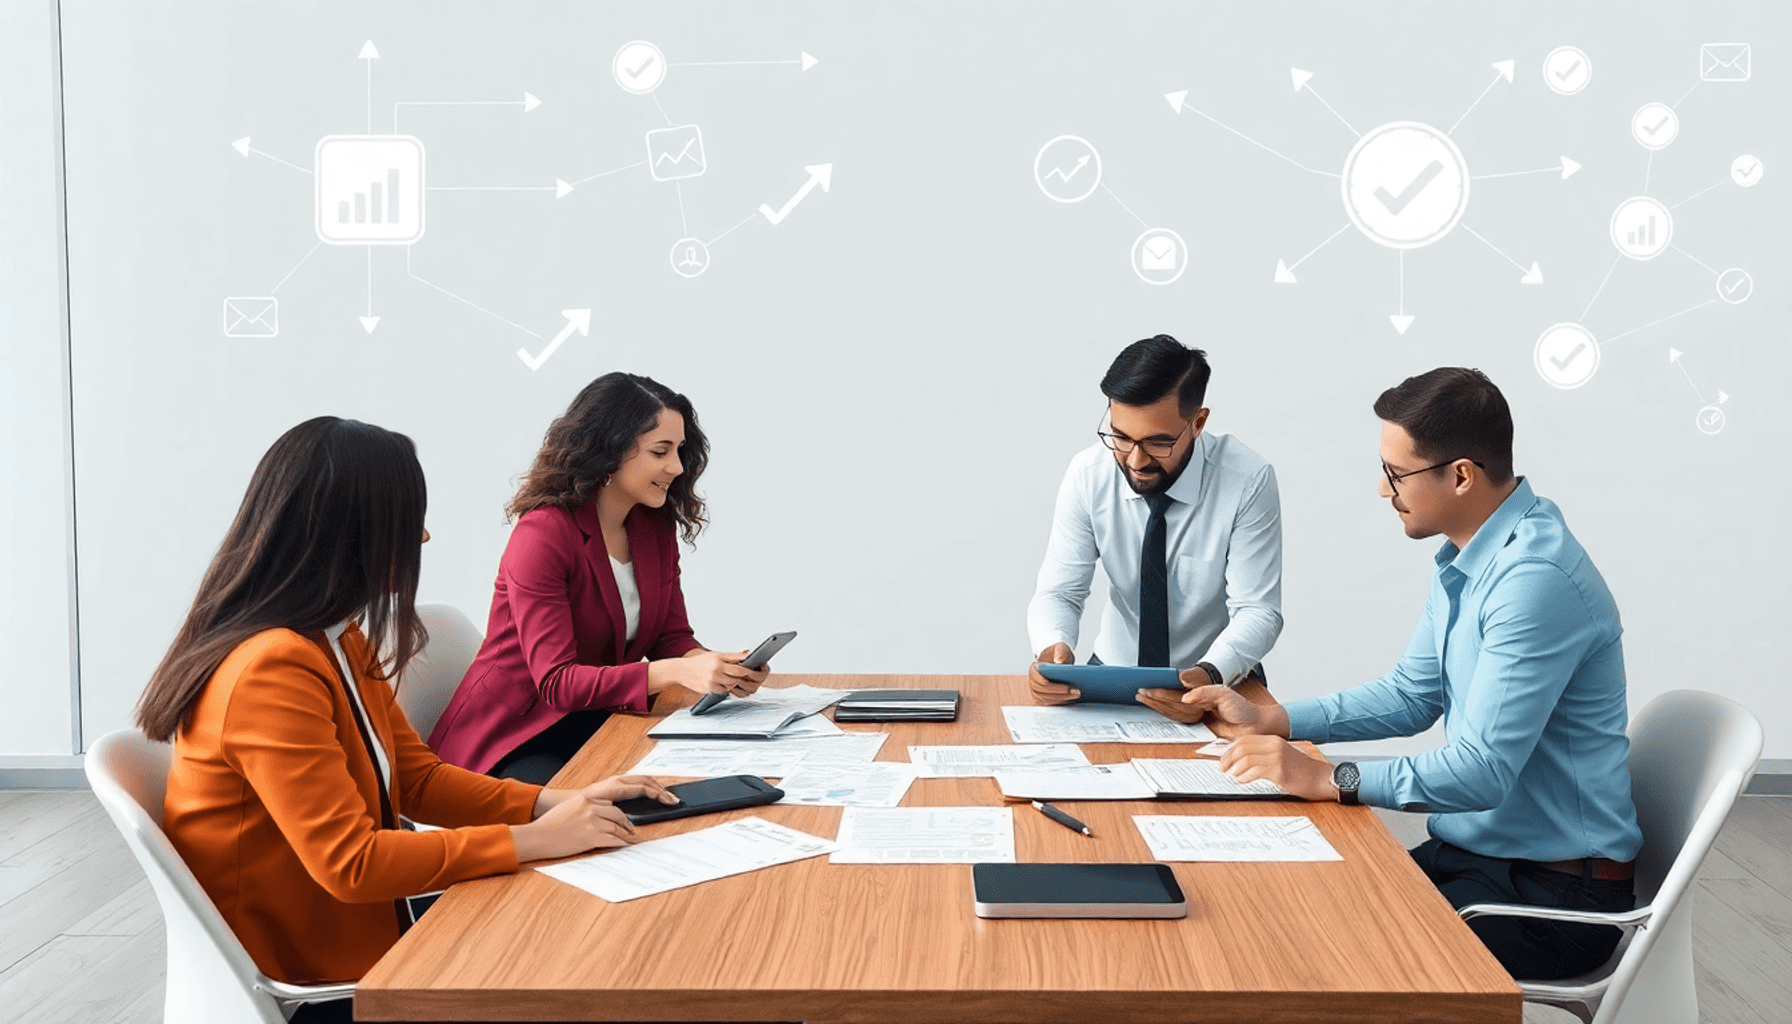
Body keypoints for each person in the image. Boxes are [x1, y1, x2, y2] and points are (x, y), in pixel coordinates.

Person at [136, 417, 678, 1017]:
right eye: (406, 518)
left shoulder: (334, 640)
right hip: (325, 981)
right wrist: (531, 840)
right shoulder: (272, 670)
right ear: (353, 533)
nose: (421, 536)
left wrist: (555, 804)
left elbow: (418, 780)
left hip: (373, 934)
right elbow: (353, 863)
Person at [1165, 367, 1642, 981]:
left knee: (1322, 955)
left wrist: (1324, 776)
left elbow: (1480, 772)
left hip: (1552, 899)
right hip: (1476, 857)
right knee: (1286, 906)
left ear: (1462, 475)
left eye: (1397, 474)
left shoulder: (1533, 580)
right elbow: (1412, 695)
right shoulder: (1471, 554)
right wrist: (1273, 719)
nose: (1385, 490)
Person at [430, 373, 769, 783]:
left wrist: (714, 667)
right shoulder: (542, 536)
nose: (677, 467)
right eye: (660, 451)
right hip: (512, 740)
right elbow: (557, 682)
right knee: (612, 815)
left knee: (693, 778)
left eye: (679, 451)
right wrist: (677, 672)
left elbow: (670, 637)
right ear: (611, 451)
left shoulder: (652, 529)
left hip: (594, 720)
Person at [1026, 334, 1283, 704]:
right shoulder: (1088, 474)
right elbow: (1059, 591)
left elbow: (1257, 610)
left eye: (1158, 442)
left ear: (1198, 423)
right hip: (1113, 672)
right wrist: (1052, 649)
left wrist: (1209, 675)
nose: (1135, 460)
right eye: (1120, 437)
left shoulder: (1247, 480)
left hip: (1218, 677)